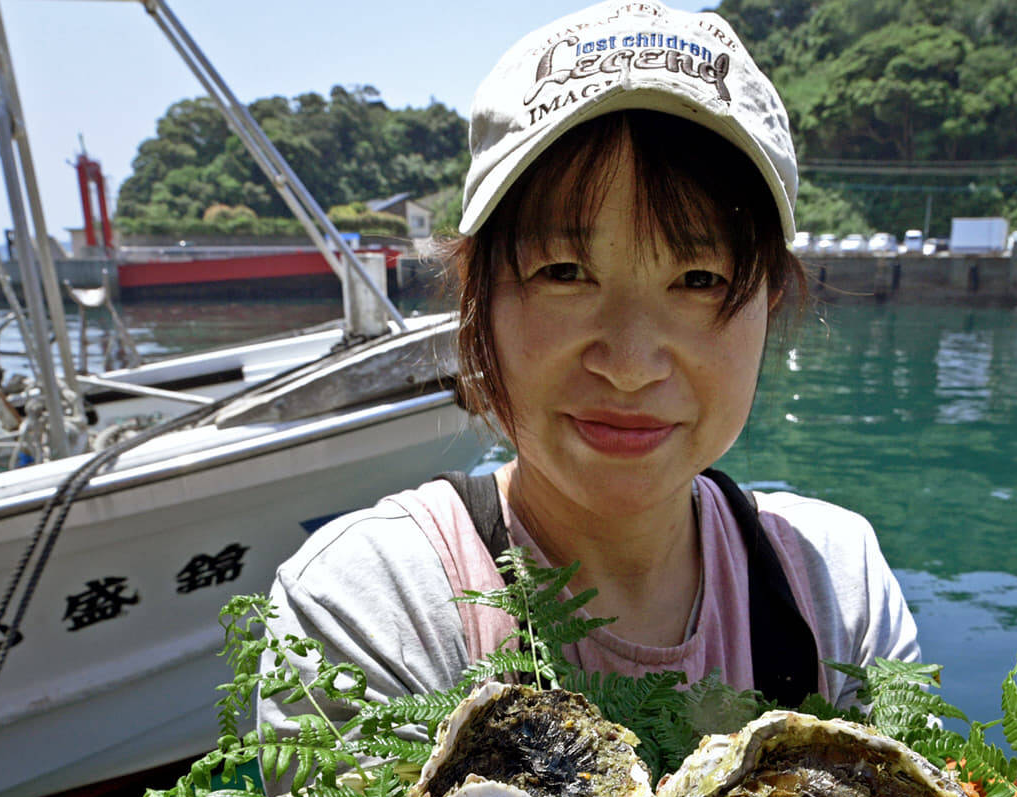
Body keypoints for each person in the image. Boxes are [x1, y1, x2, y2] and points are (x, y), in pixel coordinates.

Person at [262, 0, 917, 722]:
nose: (631, 364)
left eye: (700, 280)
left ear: (771, 301)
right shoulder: (371, 607)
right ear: (479, 300)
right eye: (565, 271)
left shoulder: (834, 588)